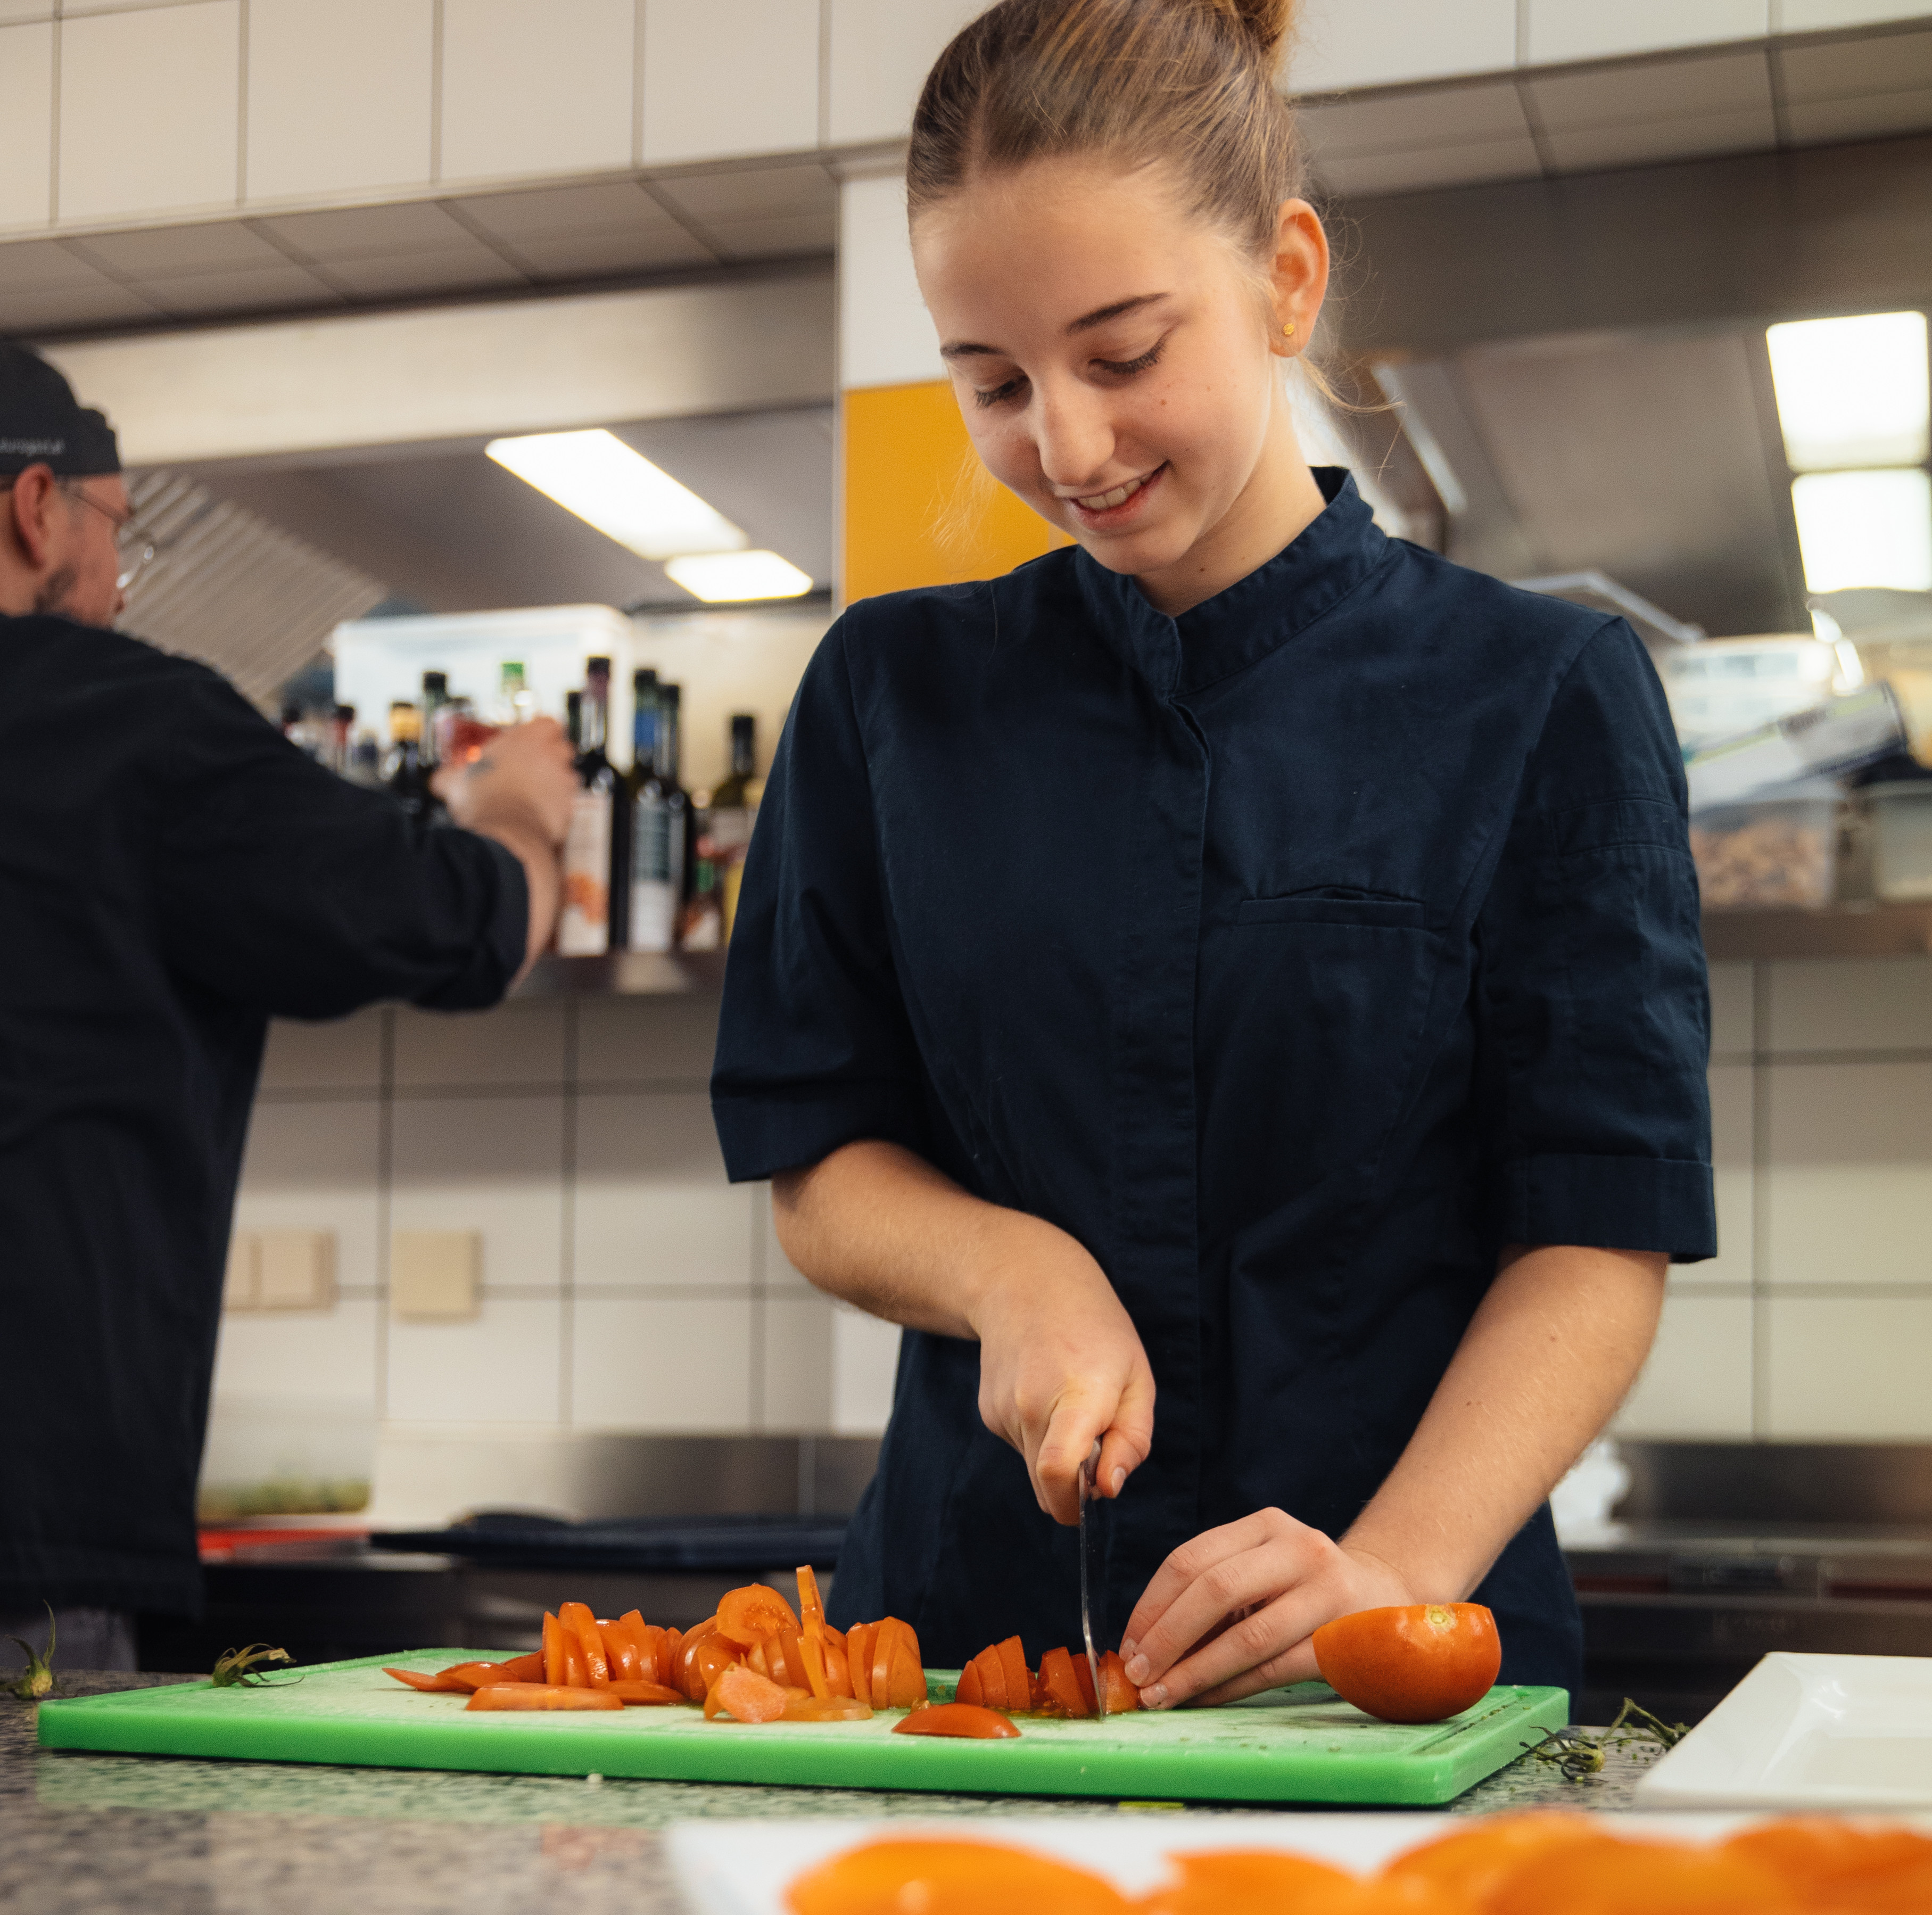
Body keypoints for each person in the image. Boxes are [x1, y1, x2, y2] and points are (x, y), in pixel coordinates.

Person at [711, 0, 1713, 1708]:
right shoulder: (889, 694)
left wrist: (1385, 1572)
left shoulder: (1535, 694)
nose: (1068, 446)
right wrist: (1005, 1268)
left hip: (1388, 1670)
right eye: (994, 382)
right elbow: (819, 1160)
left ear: (1286, 278)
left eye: (1120, 354)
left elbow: (1594, 1230)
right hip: (964, 1660)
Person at [0, 342, 578, 1669]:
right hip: (28, 1543)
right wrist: (516, 815)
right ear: (38, 509)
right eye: (111, 532)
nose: (119, 576)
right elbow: (466, 921)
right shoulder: (127, 731)